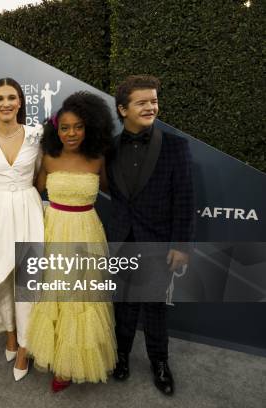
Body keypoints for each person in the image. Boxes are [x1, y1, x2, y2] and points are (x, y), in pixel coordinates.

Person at [107, 75, 194, 396]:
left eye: (154, 101)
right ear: (122, 109)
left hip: (158, 241)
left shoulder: (175, 147)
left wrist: (181, 245)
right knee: (124, 305)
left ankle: (160, 362)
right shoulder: (109, 148)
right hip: (121, 239)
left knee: (155, 305)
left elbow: (185, 199)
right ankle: (121, 356)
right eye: (142, 102)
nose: (150, 107)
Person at [25, 91, 116, 392]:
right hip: (53, 230)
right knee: (55, 295)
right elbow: (33, 192)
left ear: (89, 126)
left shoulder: (98, 159)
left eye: (78, 126)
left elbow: (118, 191)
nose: (72, 133)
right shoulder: (48, 158)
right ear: (56, 129)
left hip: (87, 233)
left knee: (81, 298)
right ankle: (56, 358)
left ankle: (71, 363)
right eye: (65, 127)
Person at [0, 77, 44, 381]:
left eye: (11, 97)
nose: (5, 103)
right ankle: (10, 334)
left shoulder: (36, 135)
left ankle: (25, 346)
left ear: (20, 102)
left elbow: (42, 173)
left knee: (28, 279)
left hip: (28, 208)